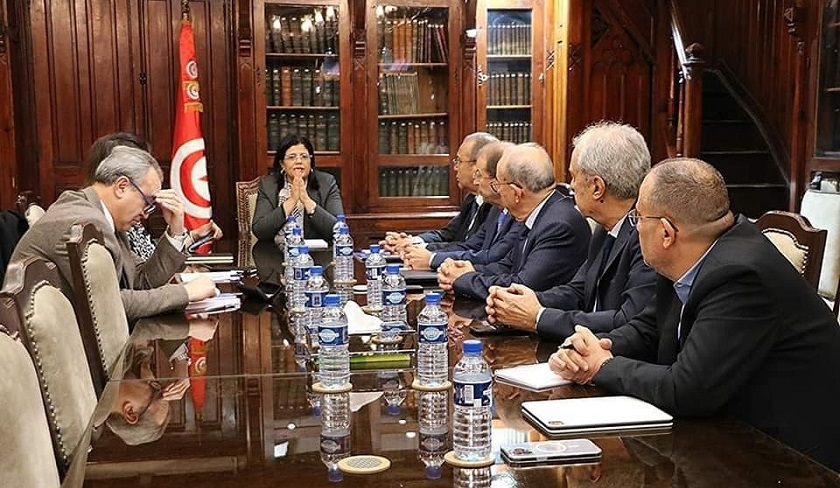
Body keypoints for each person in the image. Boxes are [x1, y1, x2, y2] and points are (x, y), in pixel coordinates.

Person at [549, 158, 840, 470]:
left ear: (666, 233)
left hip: (789, 459)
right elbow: (648, 328)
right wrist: (593, 348)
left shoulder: (739, 275)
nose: (636, 227)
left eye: (638, 217)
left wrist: (602, 366)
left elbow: (687, 389)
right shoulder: (688, 254)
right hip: (727, 432)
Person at [485, 122, 656, 341]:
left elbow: (626, 321)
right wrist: (522, 302)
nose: (571, 185)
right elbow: (578, 291)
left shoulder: (646, 235)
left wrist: (538, 317)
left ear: (597, 187)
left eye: (574, 176)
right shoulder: (604, 229)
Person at [9, 146, 218, 320]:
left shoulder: (104, 217)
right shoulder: (84, 222)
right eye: (148, 202)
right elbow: (110, 305)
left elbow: (141, 282)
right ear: (121, 186)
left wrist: (175, 231)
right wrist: (185, 293)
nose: (146, 214)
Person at [437, 143, 591, 300]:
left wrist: (463, 280)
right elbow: (506, 266)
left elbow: (522, 286)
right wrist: (468, 270)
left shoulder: (558, 225)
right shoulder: (537, 212)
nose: (498, 192)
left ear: (516, 193)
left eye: (498, 185)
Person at [85, 132, 223, 262]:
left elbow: (148, 258)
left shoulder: (125, 219)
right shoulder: (98, 222)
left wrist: (188, 237)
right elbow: (143, 274)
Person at [401, 140, 525, 270]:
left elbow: (494, 256)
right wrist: (421, 252)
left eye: (479, 175)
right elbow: (471, 245)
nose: (476, 182)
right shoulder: (496, 209)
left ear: (497, 180)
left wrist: (432, 259)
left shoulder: (519, 215)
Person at [381, 132, 498, 253]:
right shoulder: (471, 200)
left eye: (459, 161)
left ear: (477, 166)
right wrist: (411, 241)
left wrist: (413, 247)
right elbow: (447, 234)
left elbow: (471, 247)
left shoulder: (494, 205)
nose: (455, 167)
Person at [252, 134, 344, 242]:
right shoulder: (268, 185)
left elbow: (339, 230)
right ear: (282, 164)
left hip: (315, 251)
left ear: (310, 161)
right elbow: (260, 230)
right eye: (292, 157)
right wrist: (292, 200)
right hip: (276, 249)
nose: (299, 161)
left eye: (304, 157)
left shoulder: (327, 183)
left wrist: (306, 200)